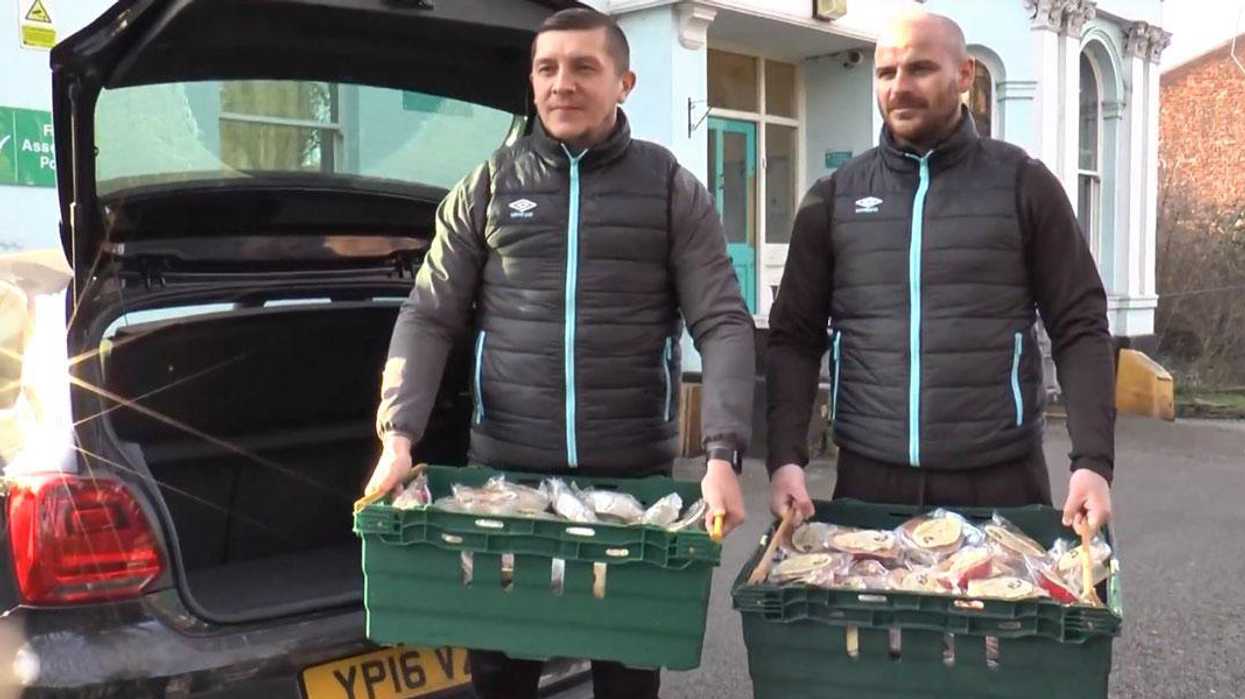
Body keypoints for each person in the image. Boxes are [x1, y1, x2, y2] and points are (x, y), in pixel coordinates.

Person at [365, 8, 755, 699]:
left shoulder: (668, 188)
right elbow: (428, 315)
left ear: (623, 82)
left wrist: (722, 454)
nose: (561, 84)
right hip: (507, 478)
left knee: (627, 667)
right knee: (502, 669)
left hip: (631, 481)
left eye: (583, 67)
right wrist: (399, 435)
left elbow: (722, 322)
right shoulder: (488, 184)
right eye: (547, 68)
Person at [766, 9, 1115, 535]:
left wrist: (1092, 462)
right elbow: (794, 336)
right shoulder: (835, 196)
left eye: (920, 69)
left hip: (1000, 477)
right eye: (886, 74)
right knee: (866, 619)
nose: (899, 87)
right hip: (869, 477)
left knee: (1002, 614)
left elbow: (1080, 326)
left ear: (965, 75)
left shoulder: (1024, 185)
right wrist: (785, 457)